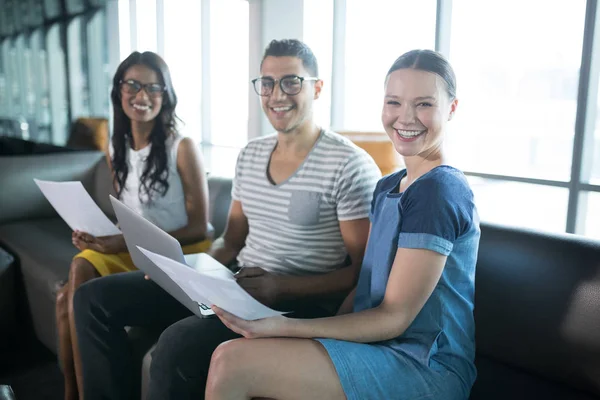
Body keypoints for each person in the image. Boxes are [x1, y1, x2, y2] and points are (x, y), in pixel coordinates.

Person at [72, 39, 382, 400]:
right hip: (239, 286)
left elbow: (363, 272)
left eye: (291, 82)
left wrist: (281, 287)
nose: (276, 94)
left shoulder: (350, 165)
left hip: (298, 304)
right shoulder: (250, 154)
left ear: (317, 87)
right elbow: (230, 240)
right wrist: (184, 271)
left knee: (175, 344)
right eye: (266, 83)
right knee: (92, 299)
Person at [205, 49, 480, 400]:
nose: (405, 117)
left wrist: (287, 327)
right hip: (376, 346)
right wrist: (298, 335)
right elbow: (363, 288)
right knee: (228, 354)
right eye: (394, 102)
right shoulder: (388, 187)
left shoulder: (440, 190)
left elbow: (395, 317)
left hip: (423, 363)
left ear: (452, 109)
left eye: (424, 104)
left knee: (232, 362)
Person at [56, 50, 211, 400]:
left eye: (154, 88)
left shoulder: (182, 147)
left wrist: (122, 242)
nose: (143, 96)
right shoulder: (117, 147)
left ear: (166, 95)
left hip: (179, 250)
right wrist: (99, 234)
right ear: (119, 91)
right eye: (134, 85)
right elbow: (129, 215)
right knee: (74, 281)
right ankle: (74, 391)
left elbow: (201, 228)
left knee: (74, 285)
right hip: (137, 245)